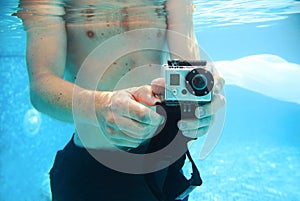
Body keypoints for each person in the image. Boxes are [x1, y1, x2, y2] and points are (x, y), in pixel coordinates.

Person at [17, 0, 225, 200]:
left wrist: (203, 104)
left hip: (164, 161)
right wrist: (100, 106)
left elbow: (188, 69)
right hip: (94, 168)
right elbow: (40, 87)